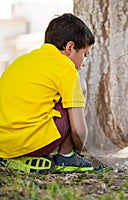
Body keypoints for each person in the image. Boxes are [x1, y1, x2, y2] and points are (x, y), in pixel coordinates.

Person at [0, 13, 95, 173]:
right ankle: (66, 157)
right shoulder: (66, 69)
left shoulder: (23, 60)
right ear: (70, 47)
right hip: (28, 142)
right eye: (85, 54)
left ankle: (12, 157)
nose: (84, 62)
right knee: (80, 85)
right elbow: (78, 131)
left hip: (3, 142)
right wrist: (79, 148)